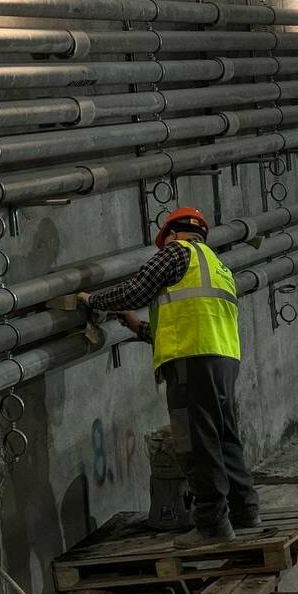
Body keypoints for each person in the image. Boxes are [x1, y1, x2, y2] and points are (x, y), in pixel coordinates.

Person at [81, 206, 259, 547]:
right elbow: (187, 321)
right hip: (223, 360)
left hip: (190, 363)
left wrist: (95, 300)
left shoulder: (176, 253)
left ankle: (211, 525)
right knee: (223, 436)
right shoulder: (218, 266)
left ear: (172, 234)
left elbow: (135, 291)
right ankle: (246, 511)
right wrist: (139, 327)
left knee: (197, 441)